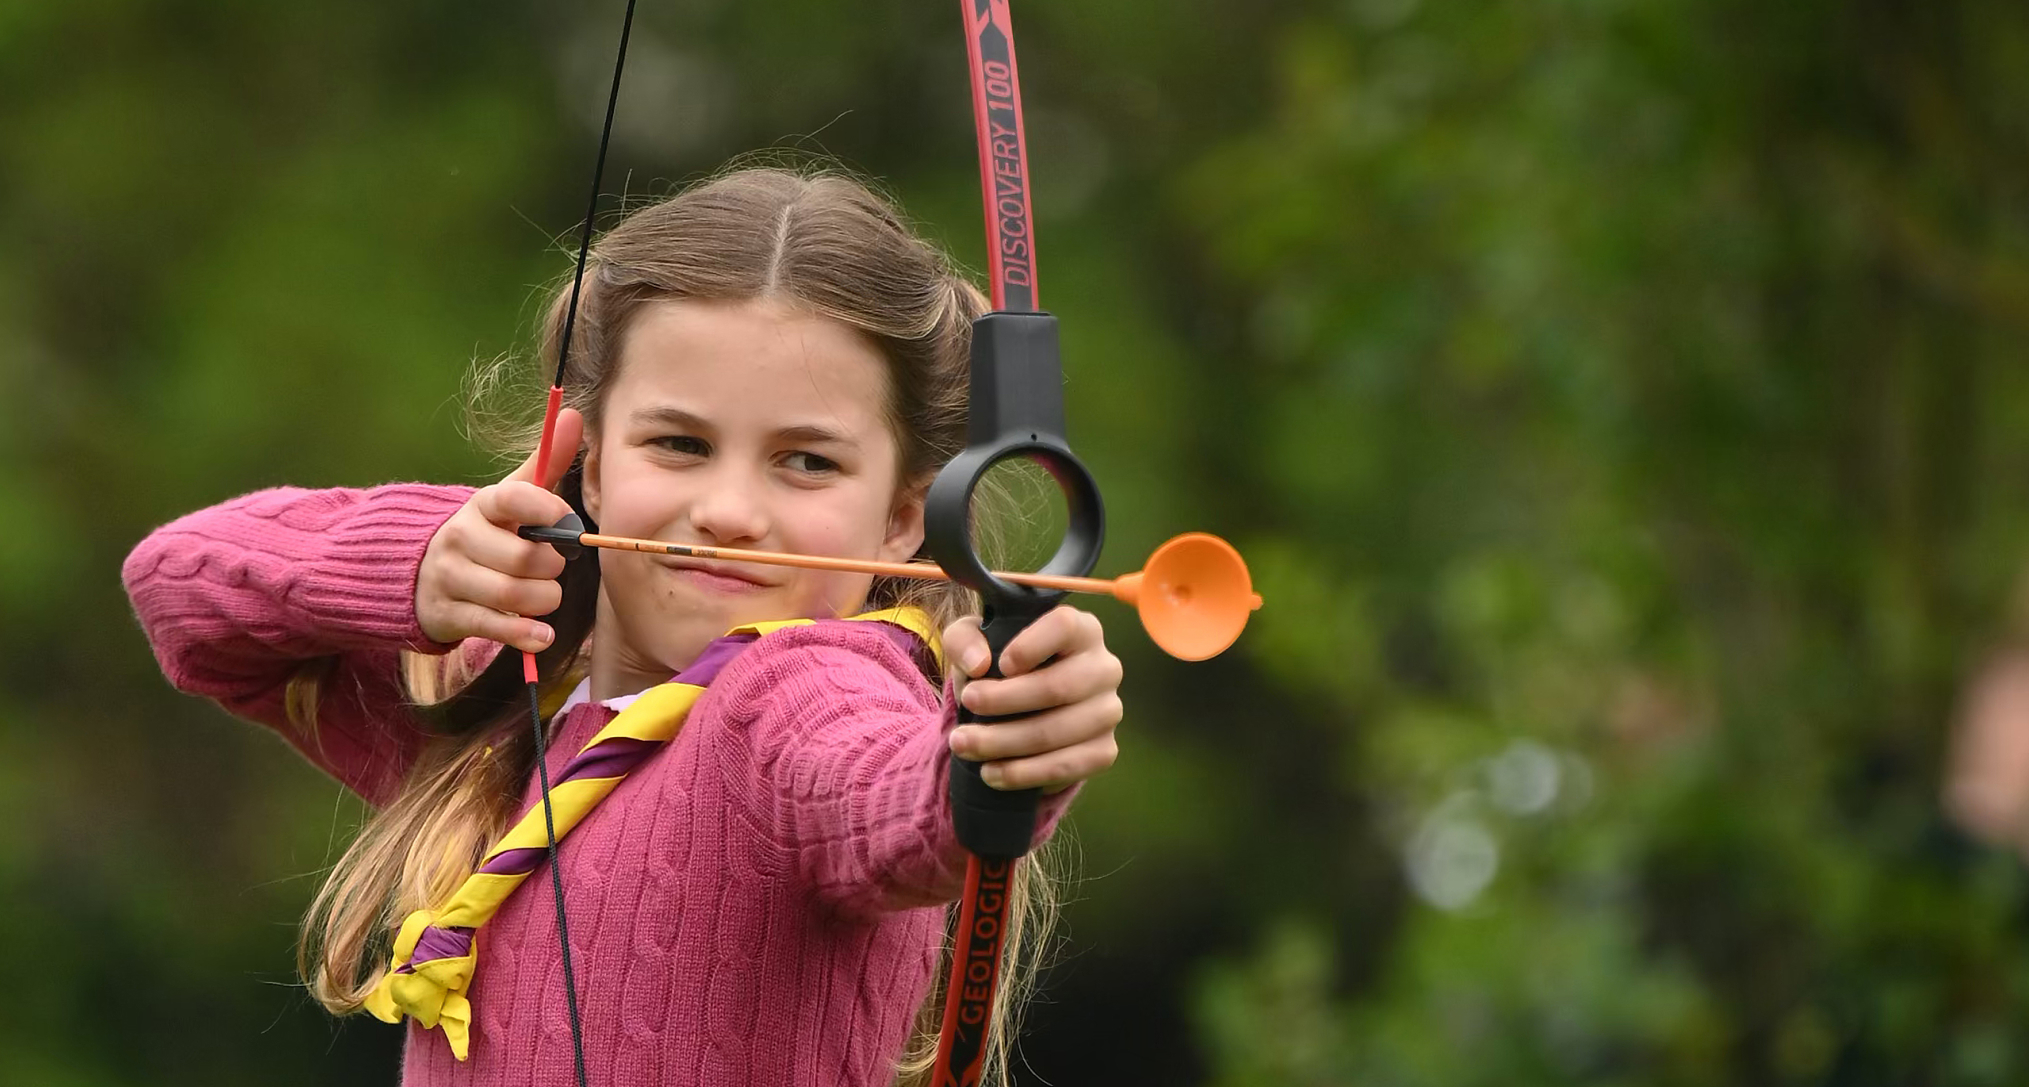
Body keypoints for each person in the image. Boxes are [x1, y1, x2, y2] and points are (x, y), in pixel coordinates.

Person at [120, 167, 1124, 1087]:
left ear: (906, 517)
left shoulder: (806, 689)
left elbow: (891, 802)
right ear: (590, 463)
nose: (731, 508)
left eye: (806, 461)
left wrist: (1001, 749)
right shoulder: (504, 705)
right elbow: (181, 591)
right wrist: (421, 563)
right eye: (679, 444)